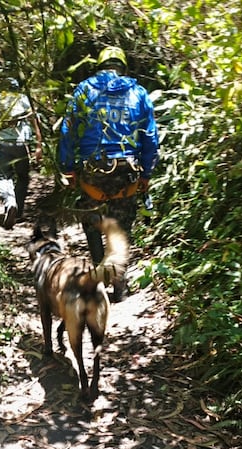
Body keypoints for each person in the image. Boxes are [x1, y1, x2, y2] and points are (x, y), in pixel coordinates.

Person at [57, 46, 159, 301]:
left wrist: (67, 167)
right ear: (122, 67)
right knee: (122, 225)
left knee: (92, 221)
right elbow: (150, 138)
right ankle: (120, 285)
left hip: (93, 171)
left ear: (100, 66)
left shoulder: (84, 90)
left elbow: (68, 132)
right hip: (127, 171)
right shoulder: (138, 93)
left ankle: (99, 277)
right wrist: (147, 172)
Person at [0, 78, 43, 229]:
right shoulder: (22, 99)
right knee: (23, 177)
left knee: (3, 175)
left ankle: (10, 203)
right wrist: (38, 144)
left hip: (2, 143)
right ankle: (18, 211)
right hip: (20, 144)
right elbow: (33, 120)